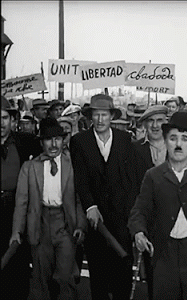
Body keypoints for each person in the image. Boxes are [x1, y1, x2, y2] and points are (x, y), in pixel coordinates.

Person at [128, 112, 187, 300]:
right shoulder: (153, 175)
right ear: (166, 142)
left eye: (184, 139)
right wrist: (138, 232)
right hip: (165, 252)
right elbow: (140, 209)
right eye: (173, 138)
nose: (178, 144)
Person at [70, 94, 142, 300]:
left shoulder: (124, 140)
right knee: (98, 273)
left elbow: (131, 180)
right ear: (90, 117)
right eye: (96, 115)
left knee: (122, 270)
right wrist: (90, 206)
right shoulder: (79, 141)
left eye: (104, 115)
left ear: (111, 117)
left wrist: (131, 213)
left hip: (121, 217)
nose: (100, 120)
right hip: (96, 219)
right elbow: (80, 178)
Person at [10, 117, 87, 300]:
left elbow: (79, 198)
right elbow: (22, 203)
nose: (54, 144)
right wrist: (16, 231)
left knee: (65, 276)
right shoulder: (29, 167)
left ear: (63, 140)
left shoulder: (72, 165)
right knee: (40, 278)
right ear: (41, 143)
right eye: (48, 140)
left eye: (58, 139)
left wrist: (80, 226)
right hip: (39, 224)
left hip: (65, 224)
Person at [1, 96, 42, 299]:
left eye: (4, 118)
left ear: (12, 120)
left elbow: (51, 147)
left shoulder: (25, 142)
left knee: (18, 264)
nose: (0, 123)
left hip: (17, 210)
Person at [131, 104, 169, 299]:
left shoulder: (177, 147)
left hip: (176, 219)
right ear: (144, 125)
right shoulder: (135, 149)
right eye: (151, 121)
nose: (155, 126)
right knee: (153, 272)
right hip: (148, 220)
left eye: (160, 120)